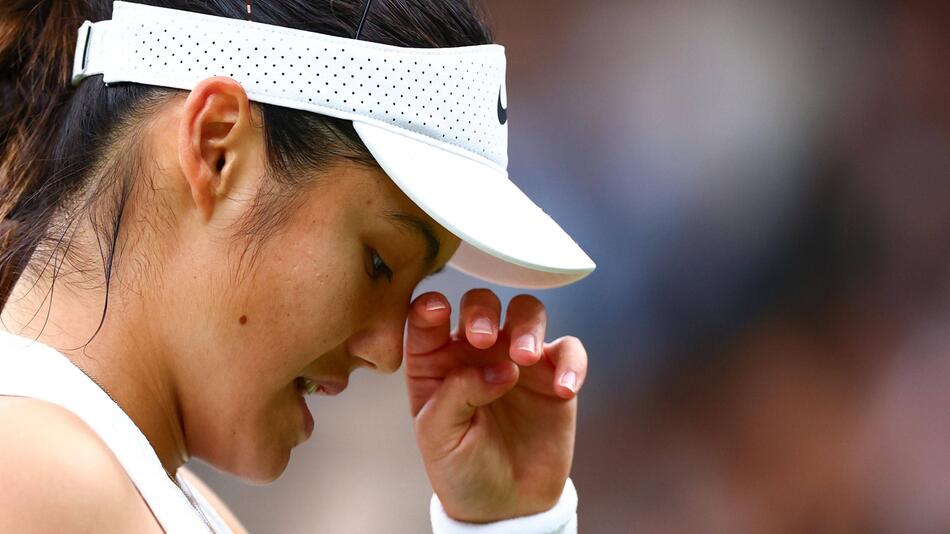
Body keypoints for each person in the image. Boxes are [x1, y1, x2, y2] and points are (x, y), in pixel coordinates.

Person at [0, 1, 594, 532]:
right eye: (380, 263)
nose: (388, 354)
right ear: (217, 148)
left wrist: (508, 523)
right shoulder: (40, 473)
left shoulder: (145, 493)